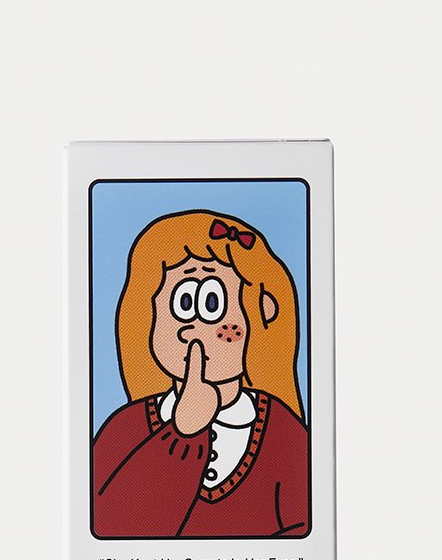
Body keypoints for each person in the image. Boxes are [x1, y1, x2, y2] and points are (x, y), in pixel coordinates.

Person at [93, 211, 309, 538]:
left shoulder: (283, 434)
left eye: (212, 303)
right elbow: (109, 532)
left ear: (264, 310)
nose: (191, 329)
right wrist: (184, 433)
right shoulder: (125, 430)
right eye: (182, 304)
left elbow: (304, 547)